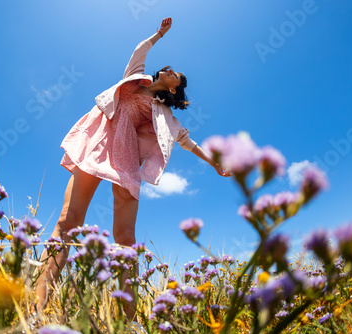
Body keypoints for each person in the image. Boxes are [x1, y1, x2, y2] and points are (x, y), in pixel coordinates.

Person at [34, 16, 231, 326]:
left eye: (176, 75)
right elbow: (139, 51)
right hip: (98, 145)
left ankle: (130, 323)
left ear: (176, 88)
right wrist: (158, 35)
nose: (170, 71)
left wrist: (216, 163)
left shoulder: (167, 116)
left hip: (125, 161)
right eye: (170, 69)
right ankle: (36, 308)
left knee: (125, 239)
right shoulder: (135, 78)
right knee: (67, 222)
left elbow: (188, 143)